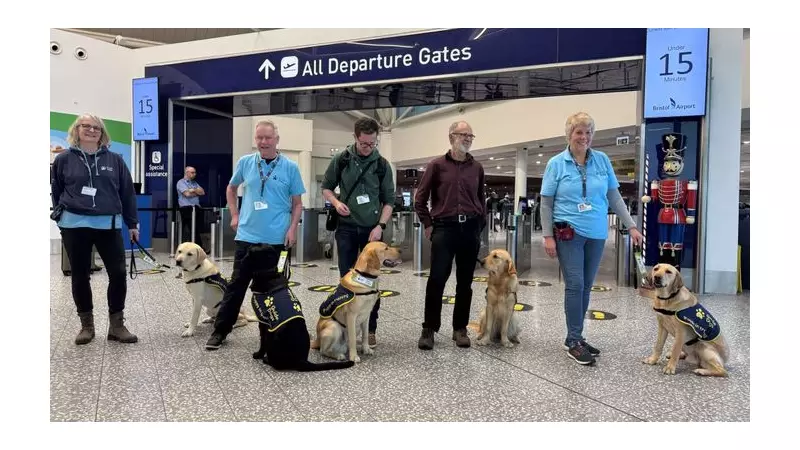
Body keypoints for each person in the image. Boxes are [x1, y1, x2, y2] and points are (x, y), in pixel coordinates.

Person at [540, 112, 643, 365]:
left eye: (588, 132)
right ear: (569, 134)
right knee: (575, 284)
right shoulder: (557, 163)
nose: (583, 137)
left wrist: (631, 226)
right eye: (579, 132)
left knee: (586, 285)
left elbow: (614, 197)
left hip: (597, 233)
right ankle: (574, 340)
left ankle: (576, 336)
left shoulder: (602, 160)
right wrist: (547, 236)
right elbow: (546, 202)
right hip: (568, 233)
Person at [205, 120, 305, 350]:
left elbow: (297, 204)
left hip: (276, 241)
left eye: (268, 138)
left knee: (273, 288)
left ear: (277, 140)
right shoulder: (246, 162)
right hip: (247, 237)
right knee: (236, 286)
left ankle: (273, 331)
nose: (263, 142)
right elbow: (231, 189)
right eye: (259, 137)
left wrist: (292, 229)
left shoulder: (290, 167)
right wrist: (234, 214)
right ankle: (220, 330)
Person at [50, 114, 140, 345]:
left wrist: (132, 224)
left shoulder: (116, 159)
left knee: (118, 273)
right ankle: (86, 326)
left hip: (108, 225)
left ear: (102, 133)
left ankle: (117, 325)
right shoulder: (63, 159)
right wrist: (60, 215)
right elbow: (57, 189)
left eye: (96, 127)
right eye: (86, 126)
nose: (91, 130)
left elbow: (127, 193)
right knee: (80, 275)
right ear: (77, 130)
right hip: (74, 225)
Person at [321, 117, 395, 347]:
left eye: (373, 144)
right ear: (355, 138)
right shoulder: (341, 159)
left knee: (371, 281)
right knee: (348, 279)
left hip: (372, 231)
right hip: (346, 229)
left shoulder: (382, 164)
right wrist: (335, 202)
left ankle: (370, 328)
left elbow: (389, 201)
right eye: (364, 144)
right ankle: (345, 325)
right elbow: (326, 187)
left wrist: (380, 226)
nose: (368, 148)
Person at [415, 121, 486, 350]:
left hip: (470, 230)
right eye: (463, 134)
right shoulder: (436, 165)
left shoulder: (477, 168)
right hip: (444, 229)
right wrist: (428, 224)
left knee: (465, 283)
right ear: (451, 137)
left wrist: (479, 225)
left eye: (470, 135)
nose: (467, 138)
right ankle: (429, 328)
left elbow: (480, 199)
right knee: (437, 280)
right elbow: (420, 198)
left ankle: (460, 328)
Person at [176, 166, 206, 251]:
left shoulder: (194, 183)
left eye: (195, 172)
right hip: (186, 209)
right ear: (187, 173)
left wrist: (193, 190)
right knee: (191, 228)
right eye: (192, 172)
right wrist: (196, 192)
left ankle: (197, 248)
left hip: (196, 208)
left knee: (197, 228)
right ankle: (197, 248)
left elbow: (202, 192)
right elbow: (187, 194)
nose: (194, 174)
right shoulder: (181, 182)